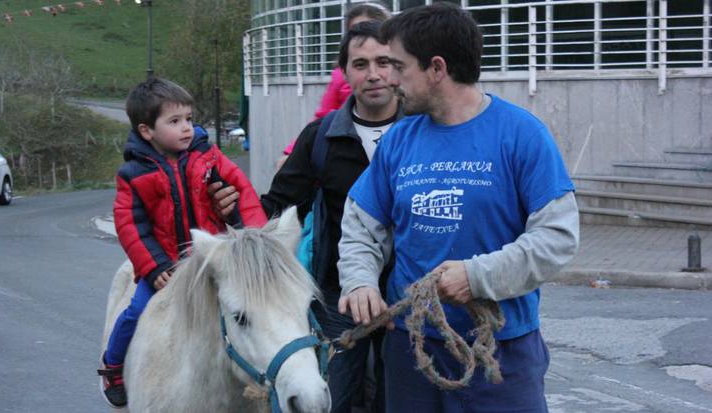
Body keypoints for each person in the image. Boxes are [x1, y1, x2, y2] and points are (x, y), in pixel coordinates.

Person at [337, 4, 580, 413]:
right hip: (411, 352)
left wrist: (476, 276)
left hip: (501, 352)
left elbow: (557, 238)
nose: (389, 78)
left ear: (436, 68)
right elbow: (361, 224)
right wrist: (360, 281)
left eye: (398, 66)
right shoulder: (399, 139)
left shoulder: (521, 134)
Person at [212, 20, 402, 413]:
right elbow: (278, 206)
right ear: (345, 72)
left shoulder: (423, 130)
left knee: (401, 402)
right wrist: (230, 208)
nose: (373, 74)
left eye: (383, 62)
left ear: (398, 66)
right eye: (360, 64)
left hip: (409, 296)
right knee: (330, 400)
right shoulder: (321, 137)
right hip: (338, 298)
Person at [98, 77, 267, 408]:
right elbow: (130, 224)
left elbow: (242, 190)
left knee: (250, 309)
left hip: (211, 259)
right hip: (167, 266)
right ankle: (114, 366)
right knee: (135, 312)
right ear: (147, 131)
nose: (187, 128)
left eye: (189, 119)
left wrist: (255, 236)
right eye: (174, 121)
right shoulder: (133, 173)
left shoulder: (208, 156)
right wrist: (154, 265)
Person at [276, 2, 391, 170]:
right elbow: (323, 118)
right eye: (355, 30)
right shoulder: (339, 77)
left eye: (370, 27)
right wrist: (291, 152)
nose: (373, 75)